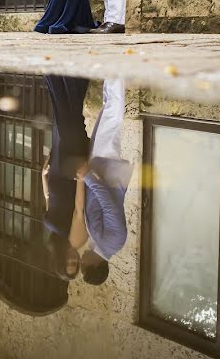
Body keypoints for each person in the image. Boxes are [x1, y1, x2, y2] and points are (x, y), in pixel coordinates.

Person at [81, 79, 132, 285]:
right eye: (83, 266)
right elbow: (109, 204)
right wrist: (87, 177)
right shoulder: (114, 241)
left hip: (100, 168)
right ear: (94, 266)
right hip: (105, 169)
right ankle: (117, 71)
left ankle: (111, 75)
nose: (81, 261)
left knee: (107, 115)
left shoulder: (99, 243)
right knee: (112, 117)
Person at [41, 75, 91, 280]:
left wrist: (43, 175)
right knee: (70, 123)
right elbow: (78, 208)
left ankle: (62, 75)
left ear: (60, 260)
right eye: (75, 264)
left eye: (69, 263)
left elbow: (48, 201)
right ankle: (61, 76)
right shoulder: (75, 240)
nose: (73, 260)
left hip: (62, 171)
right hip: (68, 172)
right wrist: (81, 179)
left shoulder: (62, 238)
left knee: (65, 122)